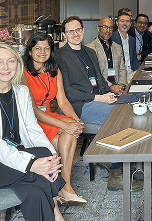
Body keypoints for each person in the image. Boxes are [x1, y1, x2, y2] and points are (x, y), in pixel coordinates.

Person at [56, 16, 123, 191]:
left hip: (99, 100)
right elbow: (68, 92)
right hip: (79, 106)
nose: (75, 34)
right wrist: (100, 99)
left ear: (84, 31)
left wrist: (109, 94)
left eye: (78, 30)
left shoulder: (90, 52)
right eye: (70, 31)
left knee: (127, 107)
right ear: (64, 34)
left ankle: (115, 158)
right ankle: (116, 174)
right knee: (118, 116)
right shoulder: (60, 56)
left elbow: (100, 81)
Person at [0, 43, 66, 221]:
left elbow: (32, 128)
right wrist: (31, 165)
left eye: (11, 61)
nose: (5, 67)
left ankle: (54, 213)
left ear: (18, 64)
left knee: (35, 192)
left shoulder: (21, 92)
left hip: (14, 155)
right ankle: (56, 212)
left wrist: (52, 157)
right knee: (39, 174)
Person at [22, 32, 87, 206]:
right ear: (29, 51)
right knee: (69, 131)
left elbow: (63, 101)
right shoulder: (23, 73)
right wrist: (64, 124)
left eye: (47, 48)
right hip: (31, 118)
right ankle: (65, 187)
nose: (43, 51)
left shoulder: (54, 70)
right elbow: (32, 110)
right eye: (38, 48)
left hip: (48, 115)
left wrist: (75, 120)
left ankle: (62, 186)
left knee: (71, 131)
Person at [86, 17, 127, 88]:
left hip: (118, 86)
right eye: (104, 27)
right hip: (101, 88)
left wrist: (121, 85)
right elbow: (94, 74)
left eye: (111, 27)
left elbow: (122, 69)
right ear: (98, 29)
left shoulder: (117, 47)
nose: (108, 30)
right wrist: (111, 87)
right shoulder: (90, 48)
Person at [111, 8, 134, 80]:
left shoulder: (132, 39)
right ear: (117, 23)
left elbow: (134, 59)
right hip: (119, 74)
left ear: (130, 24)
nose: (125, 24)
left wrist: (137, 70)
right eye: (122, 21)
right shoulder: (111, 38)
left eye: (127, 21)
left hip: (132, 72)